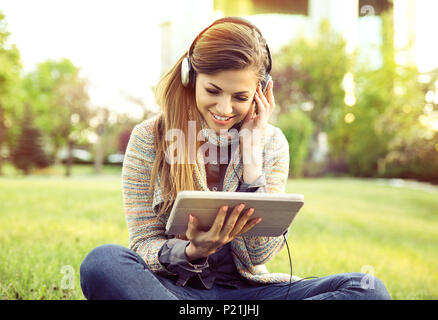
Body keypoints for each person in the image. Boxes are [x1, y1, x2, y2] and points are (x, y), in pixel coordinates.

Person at [80, 17, 391, 300]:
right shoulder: (149, 138)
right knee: (103, 262)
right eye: (213, 91)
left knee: (368, 289)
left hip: (249, 292)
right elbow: (143, 243)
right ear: (191, 78)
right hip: (177, 292)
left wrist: (253, 160)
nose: (225, 108)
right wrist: (190, 251)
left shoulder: (272, 144)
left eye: (240, 97)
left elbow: (260, 255)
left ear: (259, 92)